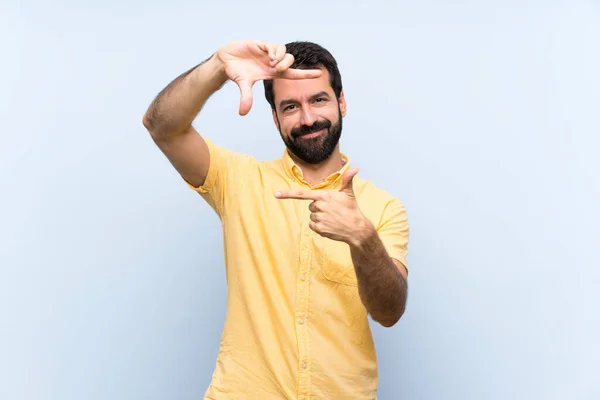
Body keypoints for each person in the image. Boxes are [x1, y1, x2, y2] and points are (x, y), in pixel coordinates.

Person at [142, 39, 410, 400]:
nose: (308, 118)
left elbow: (389, 311)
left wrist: (362, 237)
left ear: (341, 102)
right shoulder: (238, 180)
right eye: (290, 106)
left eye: (318, 99)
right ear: (275, 117)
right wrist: (218, 67)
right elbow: (162, 127)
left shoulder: (383, 207)